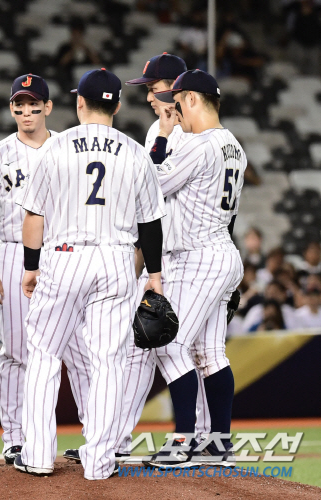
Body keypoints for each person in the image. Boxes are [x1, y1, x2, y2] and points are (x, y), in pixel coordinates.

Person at [16, 68, 167, 480]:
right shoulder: (136, 152)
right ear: (117, 105)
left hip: (64, 256)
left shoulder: (56, 147)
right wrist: (153, 274)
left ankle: (38, 456)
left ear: (78, 103)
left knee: (45, 356)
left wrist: (31, 268)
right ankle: (99, 462)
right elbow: (151, 224)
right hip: (116, 261)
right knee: (108, 362)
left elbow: (33, 217)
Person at [0, 74, 92, 465]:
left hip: (62, 251)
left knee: (78, 348)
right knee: (18, 351)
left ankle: (96, 435)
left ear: (48, 107)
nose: (26, 111)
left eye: (33, 104)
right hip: (9, 251)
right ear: (11, 108)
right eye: (19, 104)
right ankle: (16, 436)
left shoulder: (69, 148)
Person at [144, 69, 246, 468]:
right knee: (209, 353)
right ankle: (220, 444)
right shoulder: (233, 144)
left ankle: (183, 441)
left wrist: (164, 137)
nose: (174, 109)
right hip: (221, 250)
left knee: (168, 343)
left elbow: (150, 185)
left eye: (178, 100)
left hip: (198, 255)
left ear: (190, 99)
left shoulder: (200, 144)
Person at [113, 52, 208, 464]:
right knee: (135, 349)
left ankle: (196, 438)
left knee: (182, 349)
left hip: (187, 258)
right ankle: (114, 438)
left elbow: (150, 187)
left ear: (174, 89)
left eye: (152, 89)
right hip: (160, 255)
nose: (148, 97)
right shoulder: (158, 126)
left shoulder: (193, 133)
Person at [56, 20, 100, 91]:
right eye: (74, 34)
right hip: (69, 77)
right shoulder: (65, 47)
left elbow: (97, 63)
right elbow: (62, 63)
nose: (77, 37)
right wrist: (73, 50)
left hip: (87, 77)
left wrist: (86, 50)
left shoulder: (87, 48)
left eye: (79, 34)